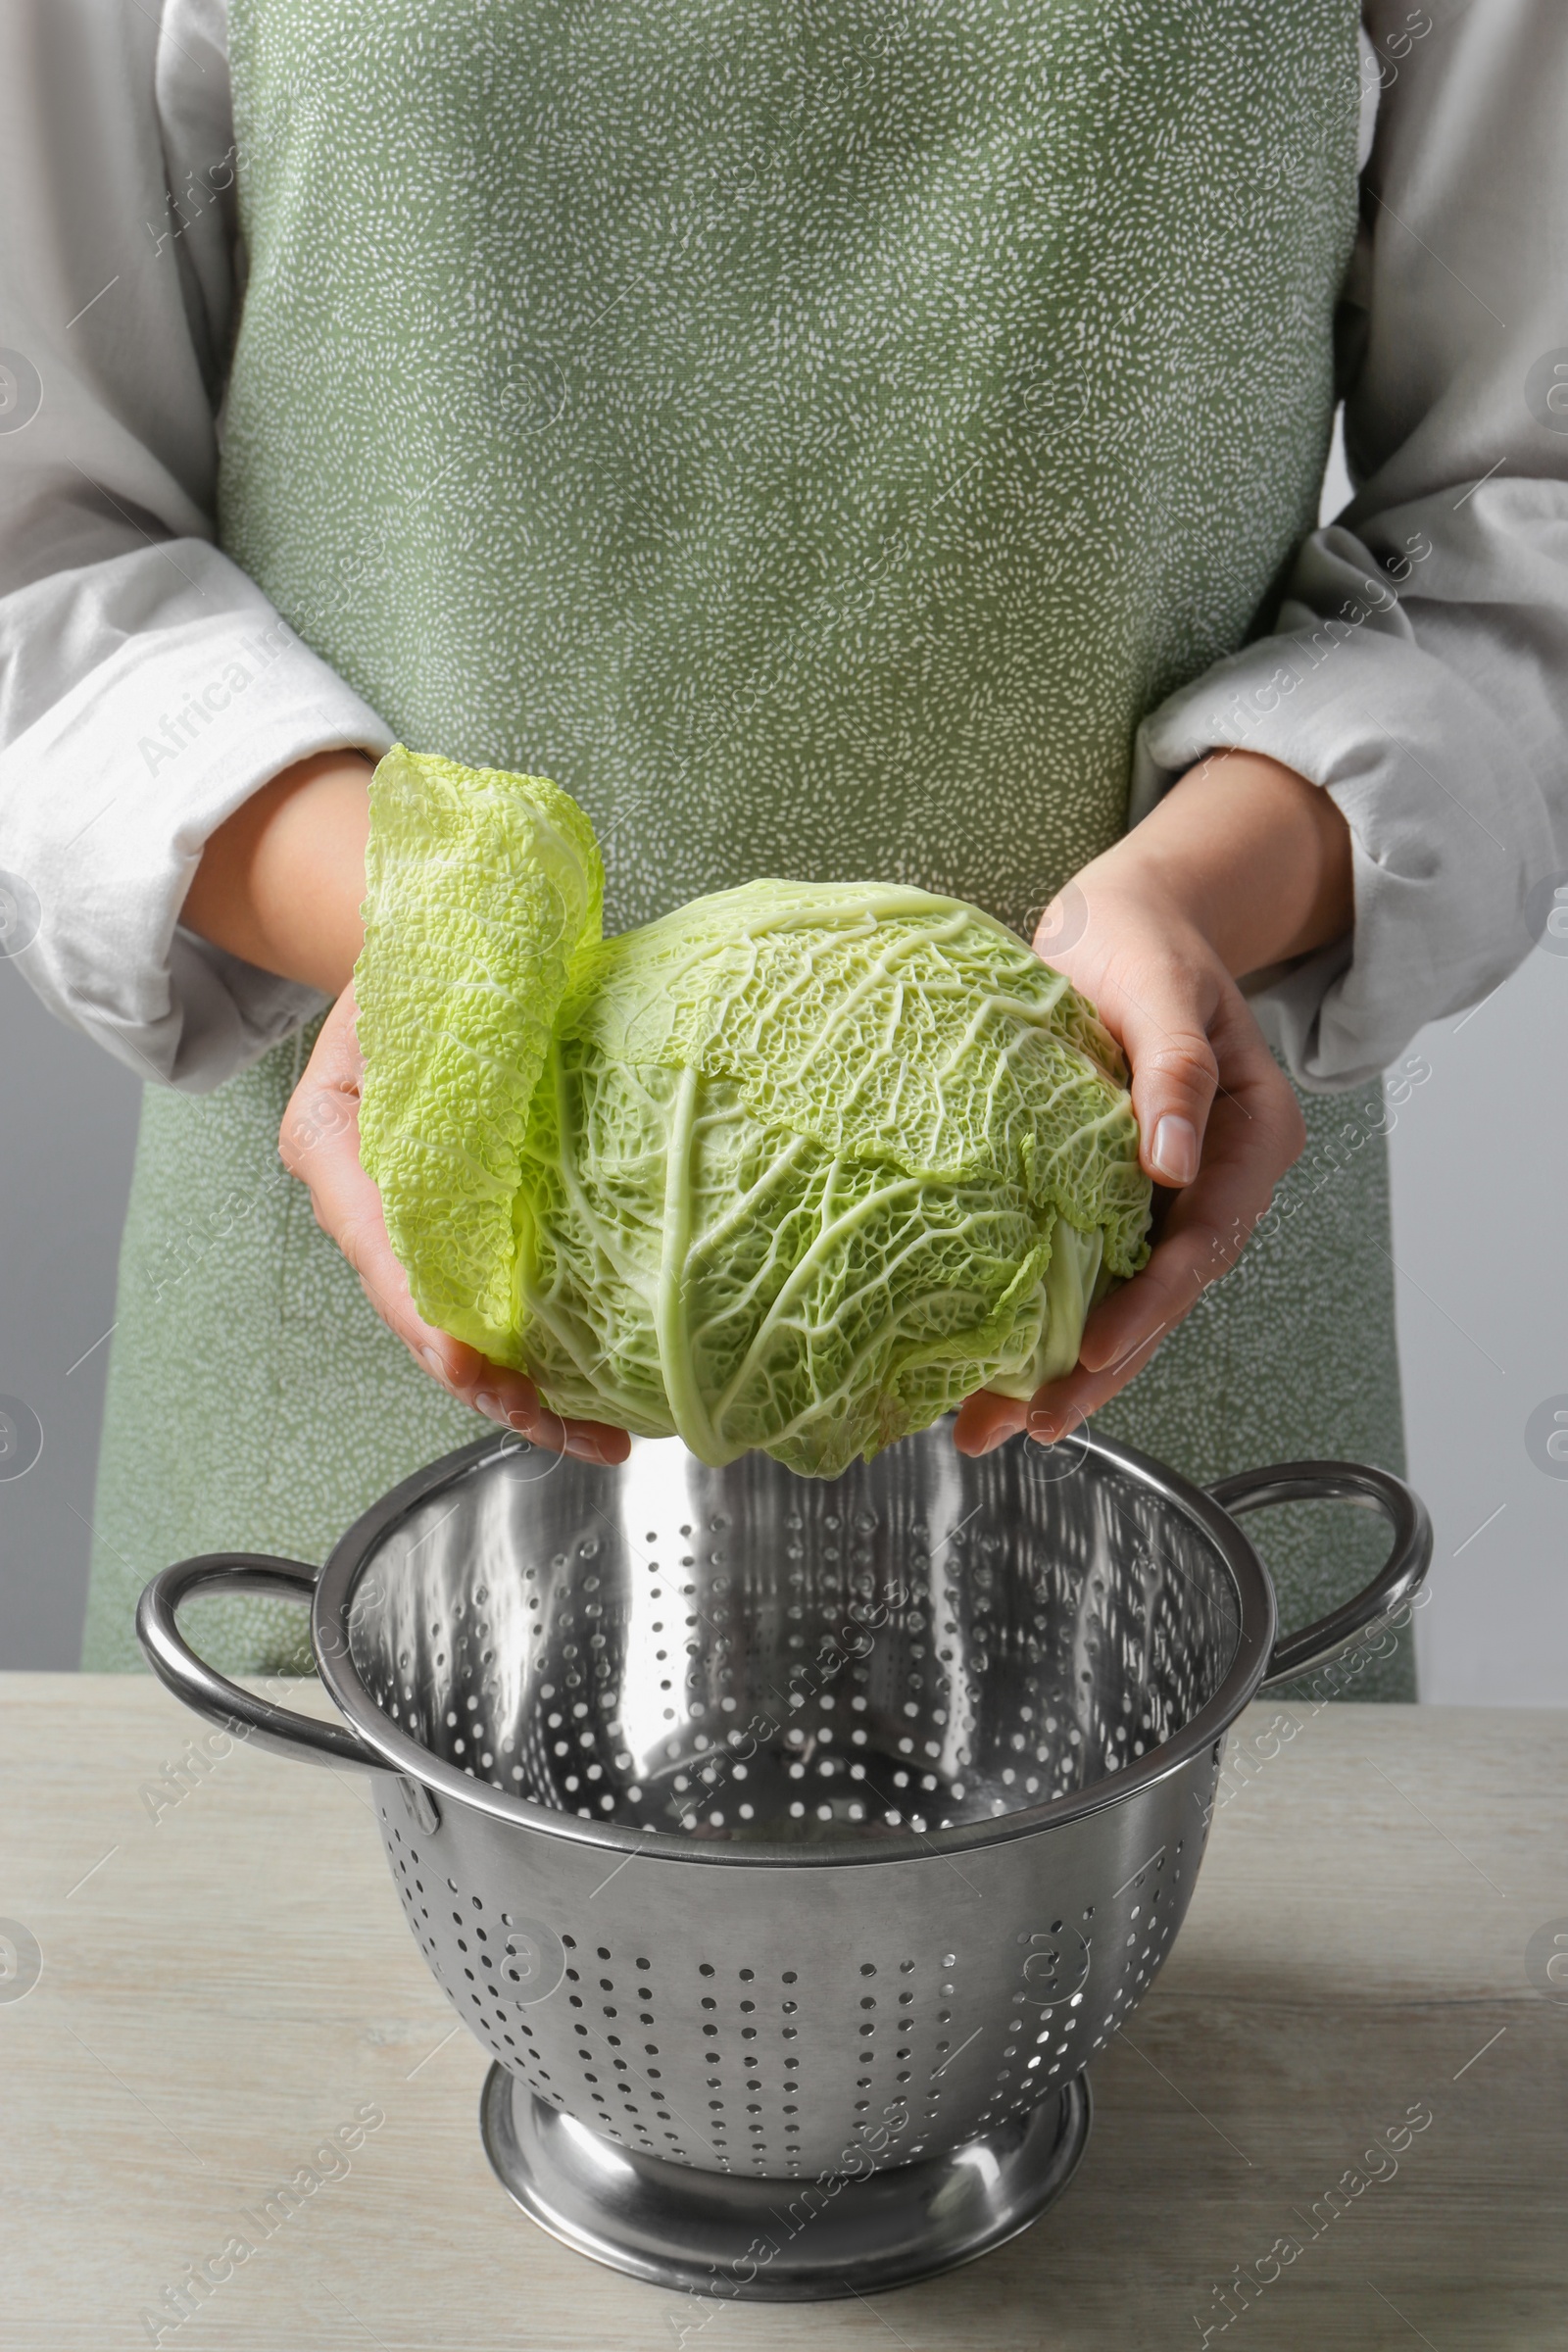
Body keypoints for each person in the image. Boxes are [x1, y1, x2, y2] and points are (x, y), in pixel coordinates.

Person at [2, 0, 1563, 1690]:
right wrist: (424, 943)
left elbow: (1522, 511)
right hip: (363, 1344)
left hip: (1147, 1348)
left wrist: (1203, 888)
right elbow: (47, 537)